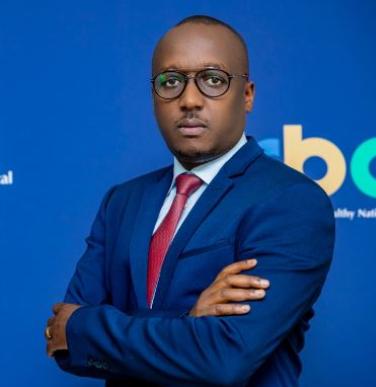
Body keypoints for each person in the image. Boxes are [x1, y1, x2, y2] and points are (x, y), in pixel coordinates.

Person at [45, 15, 335, 386]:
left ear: (246, 95)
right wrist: (188, 322)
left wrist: (89, 330)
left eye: (213, 80)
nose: (190, 100)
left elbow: (225, 358)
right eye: (171, 82)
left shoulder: (290, 201)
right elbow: (63, 338)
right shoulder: (122, 201)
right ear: (154, 97)